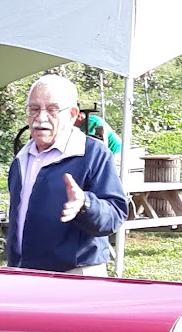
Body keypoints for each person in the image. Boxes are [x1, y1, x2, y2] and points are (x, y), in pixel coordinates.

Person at [7, 75, 127, 275]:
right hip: (25, 273)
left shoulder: (92, 154)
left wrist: (85, 204)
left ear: (72, 115)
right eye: (34, 109)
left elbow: (115, 215)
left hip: (76, 275)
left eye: (52, 109)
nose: (41, 118)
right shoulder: (21, 158)